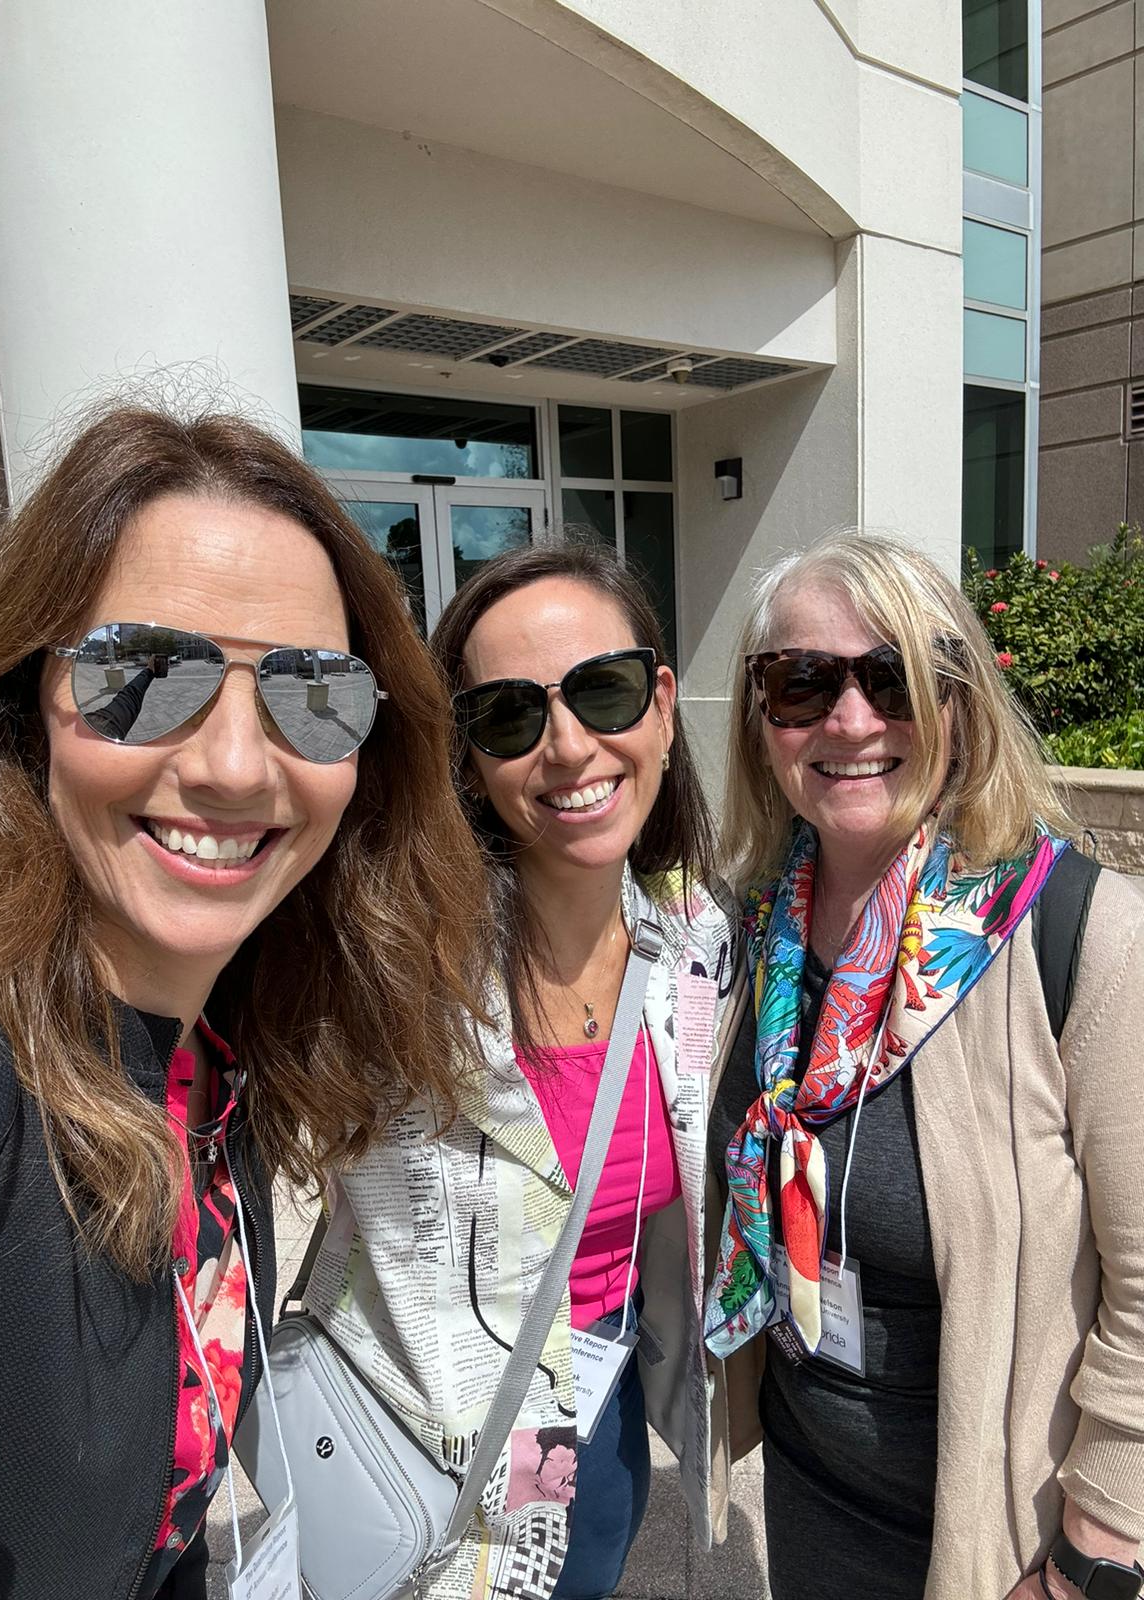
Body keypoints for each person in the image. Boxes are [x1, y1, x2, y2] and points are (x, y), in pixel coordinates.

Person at [0, 405, 488, 1600]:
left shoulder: (223, 1060)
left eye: (315, 693)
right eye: (144, 673)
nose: (236, 763)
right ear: (24, 698)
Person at [704, 529, 1144, 1600]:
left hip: (998, 1545)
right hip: (811, 1498)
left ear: (959, 704)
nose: (851, 722)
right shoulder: (754, 925)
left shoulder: (1080, 935)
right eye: (803, 683)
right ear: (763, 721)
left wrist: (1097, 1553)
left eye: (894, 678)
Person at [306, 542, 736, 1600]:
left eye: (605, 689)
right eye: (509, 714)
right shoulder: (388, 958)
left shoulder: (697, 945)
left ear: (663, 703)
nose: (569, 746)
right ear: (466, 756)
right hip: (409, 1457)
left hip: (602, 1415)